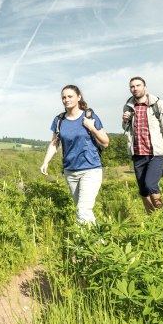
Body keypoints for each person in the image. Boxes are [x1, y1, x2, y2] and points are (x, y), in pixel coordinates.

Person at [41, 85, 109, 224]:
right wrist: (45, 162)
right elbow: (55, 143)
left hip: (90, 169)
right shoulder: (59, 120)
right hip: (70, 171)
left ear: (78, 97)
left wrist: (91, 127)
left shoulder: (89, 116)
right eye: (64, 97)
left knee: (82, 211)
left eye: (70, 96)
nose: (66, 100)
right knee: (83, 211)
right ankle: (97, 243)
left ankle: (82, 245)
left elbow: (105, 142)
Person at [122, 76, 163, 213]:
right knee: (143, 189)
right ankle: (151, 218)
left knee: (151, 185)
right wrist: (125, 120)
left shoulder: (158, 104)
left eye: (138, 85)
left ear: (145, 87)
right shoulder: (128, 106)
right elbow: (125, 128)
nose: (135, 89)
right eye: (132, 86)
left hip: (156, 153)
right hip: (138, 153)